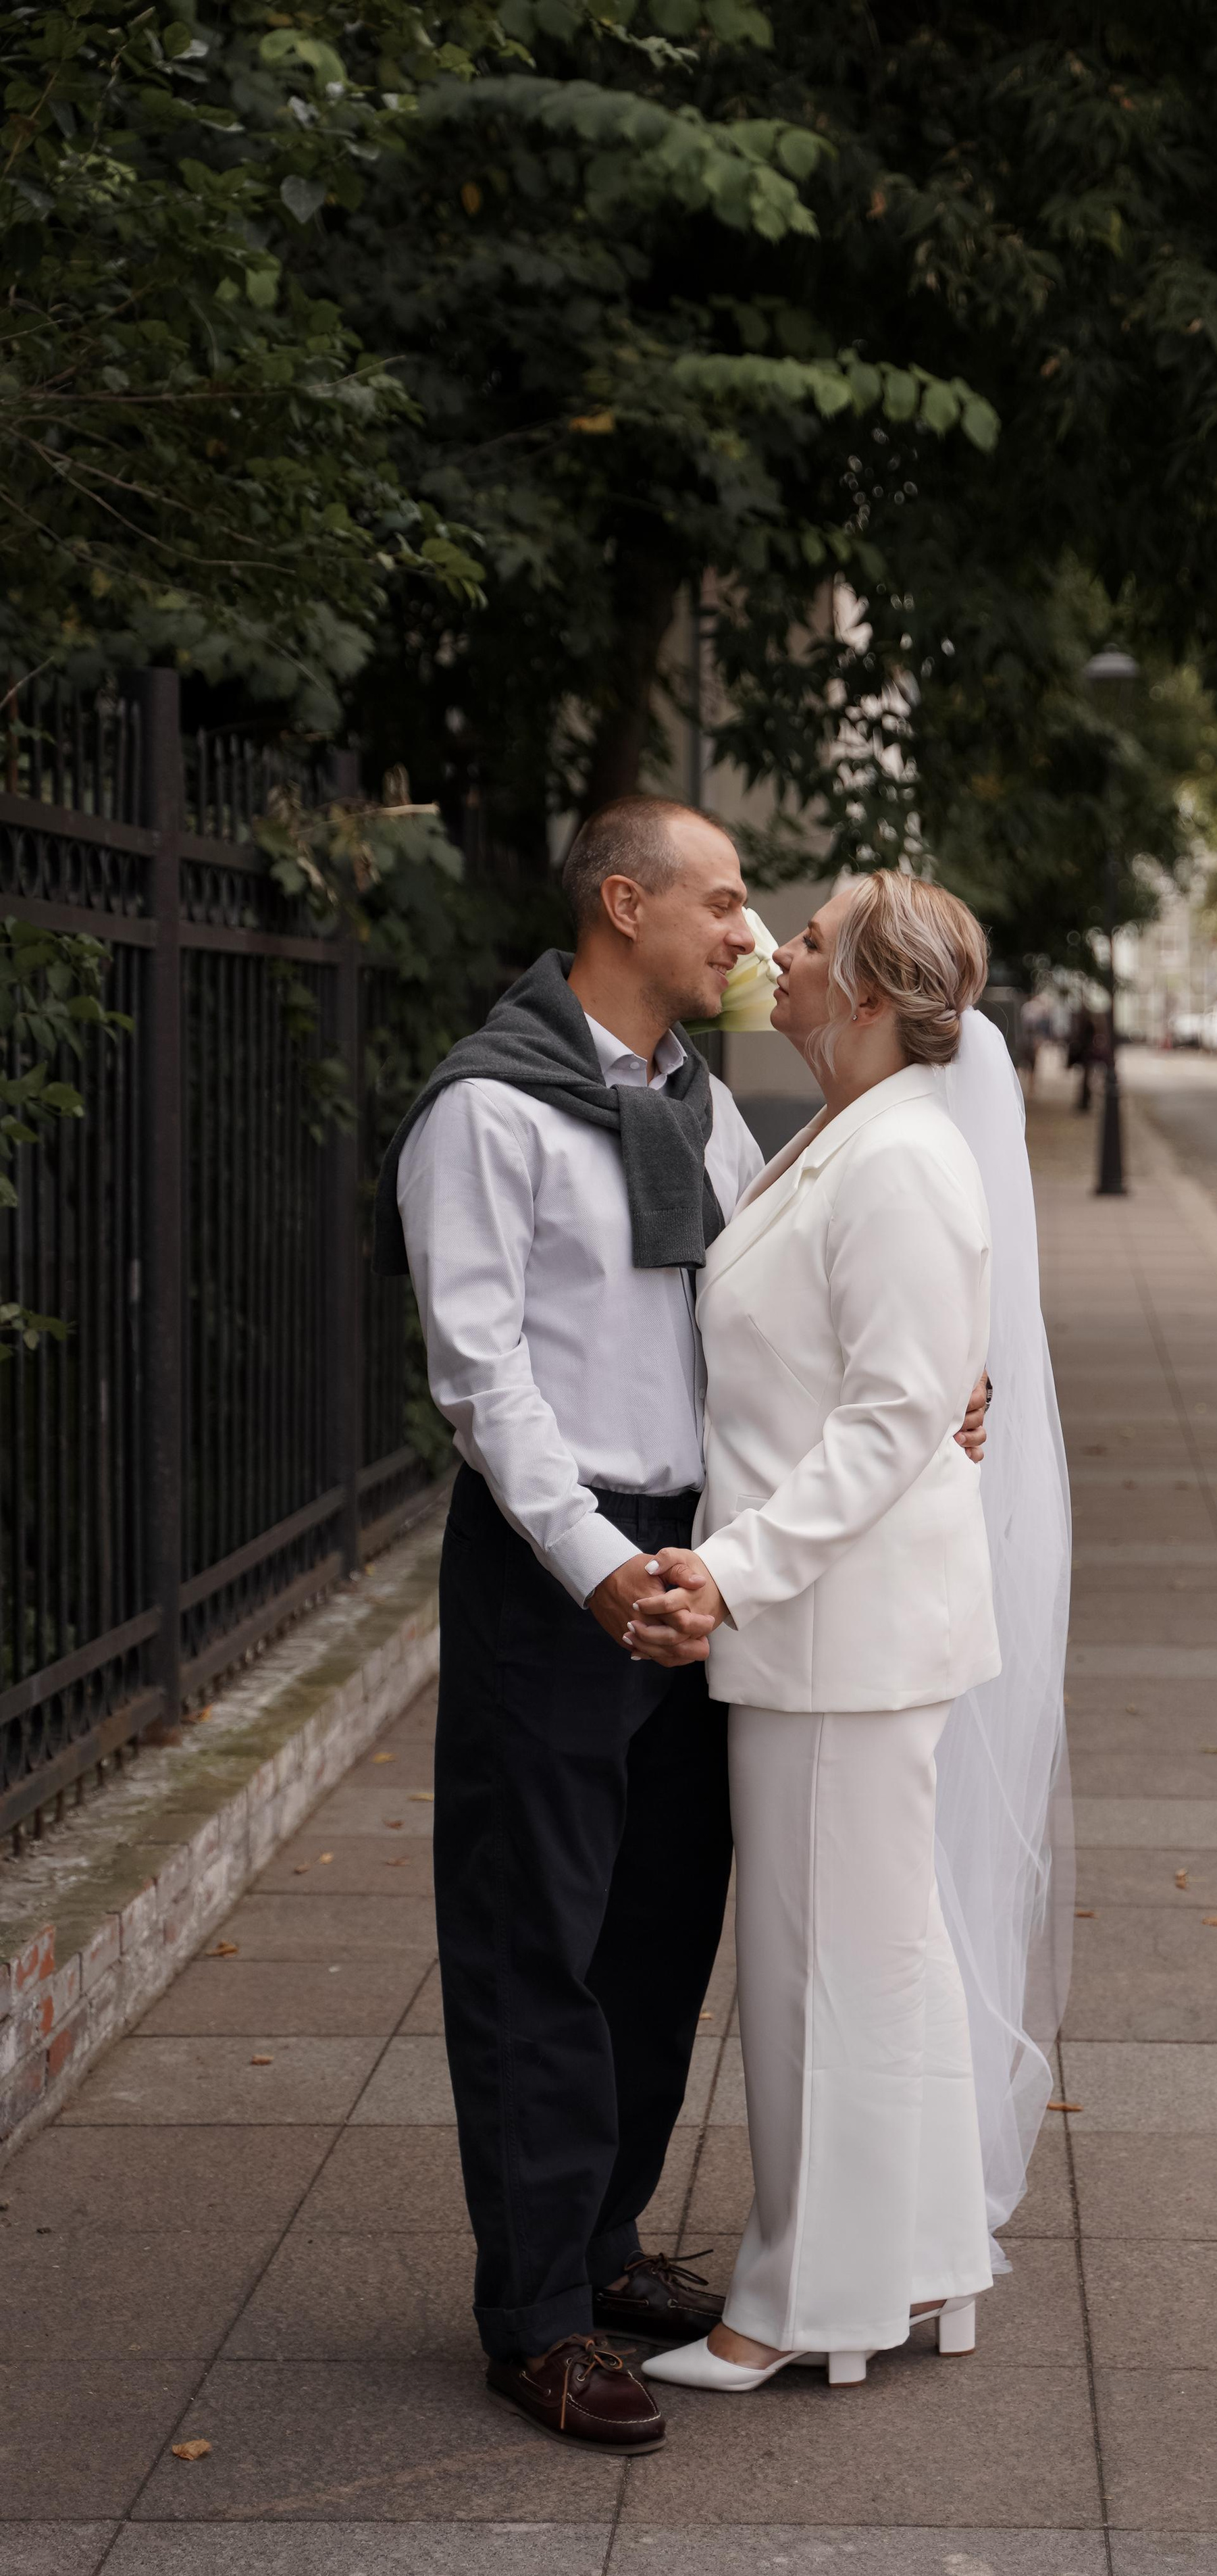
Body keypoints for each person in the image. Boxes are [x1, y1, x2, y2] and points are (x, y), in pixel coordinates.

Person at [376, 801, 987, 2457]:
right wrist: (595, 1564)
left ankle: (605, 2240)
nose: (744, 932)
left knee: (655, 1932)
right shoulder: (486, 1114)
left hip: (695, 1560)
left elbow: (769, 1315)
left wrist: (943, 1390)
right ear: (622, 903)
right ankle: (538, 2317)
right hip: (559, 1564)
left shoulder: (697, 1109)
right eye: (721, 904)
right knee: (534, 1940)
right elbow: (481, 1380)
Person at [625, 871, 1072, 2393]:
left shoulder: (898, 1161)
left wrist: (733, 1570)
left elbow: (889, 1421)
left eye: (808, 942)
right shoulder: (828, 1136)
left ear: (870, 996)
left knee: (818, 1977)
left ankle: (792, 2307)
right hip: (835, 1630)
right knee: (874, 1964)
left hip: (839, 1633)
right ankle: (922, 2266)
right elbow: (865, 1382)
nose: (775, 951)